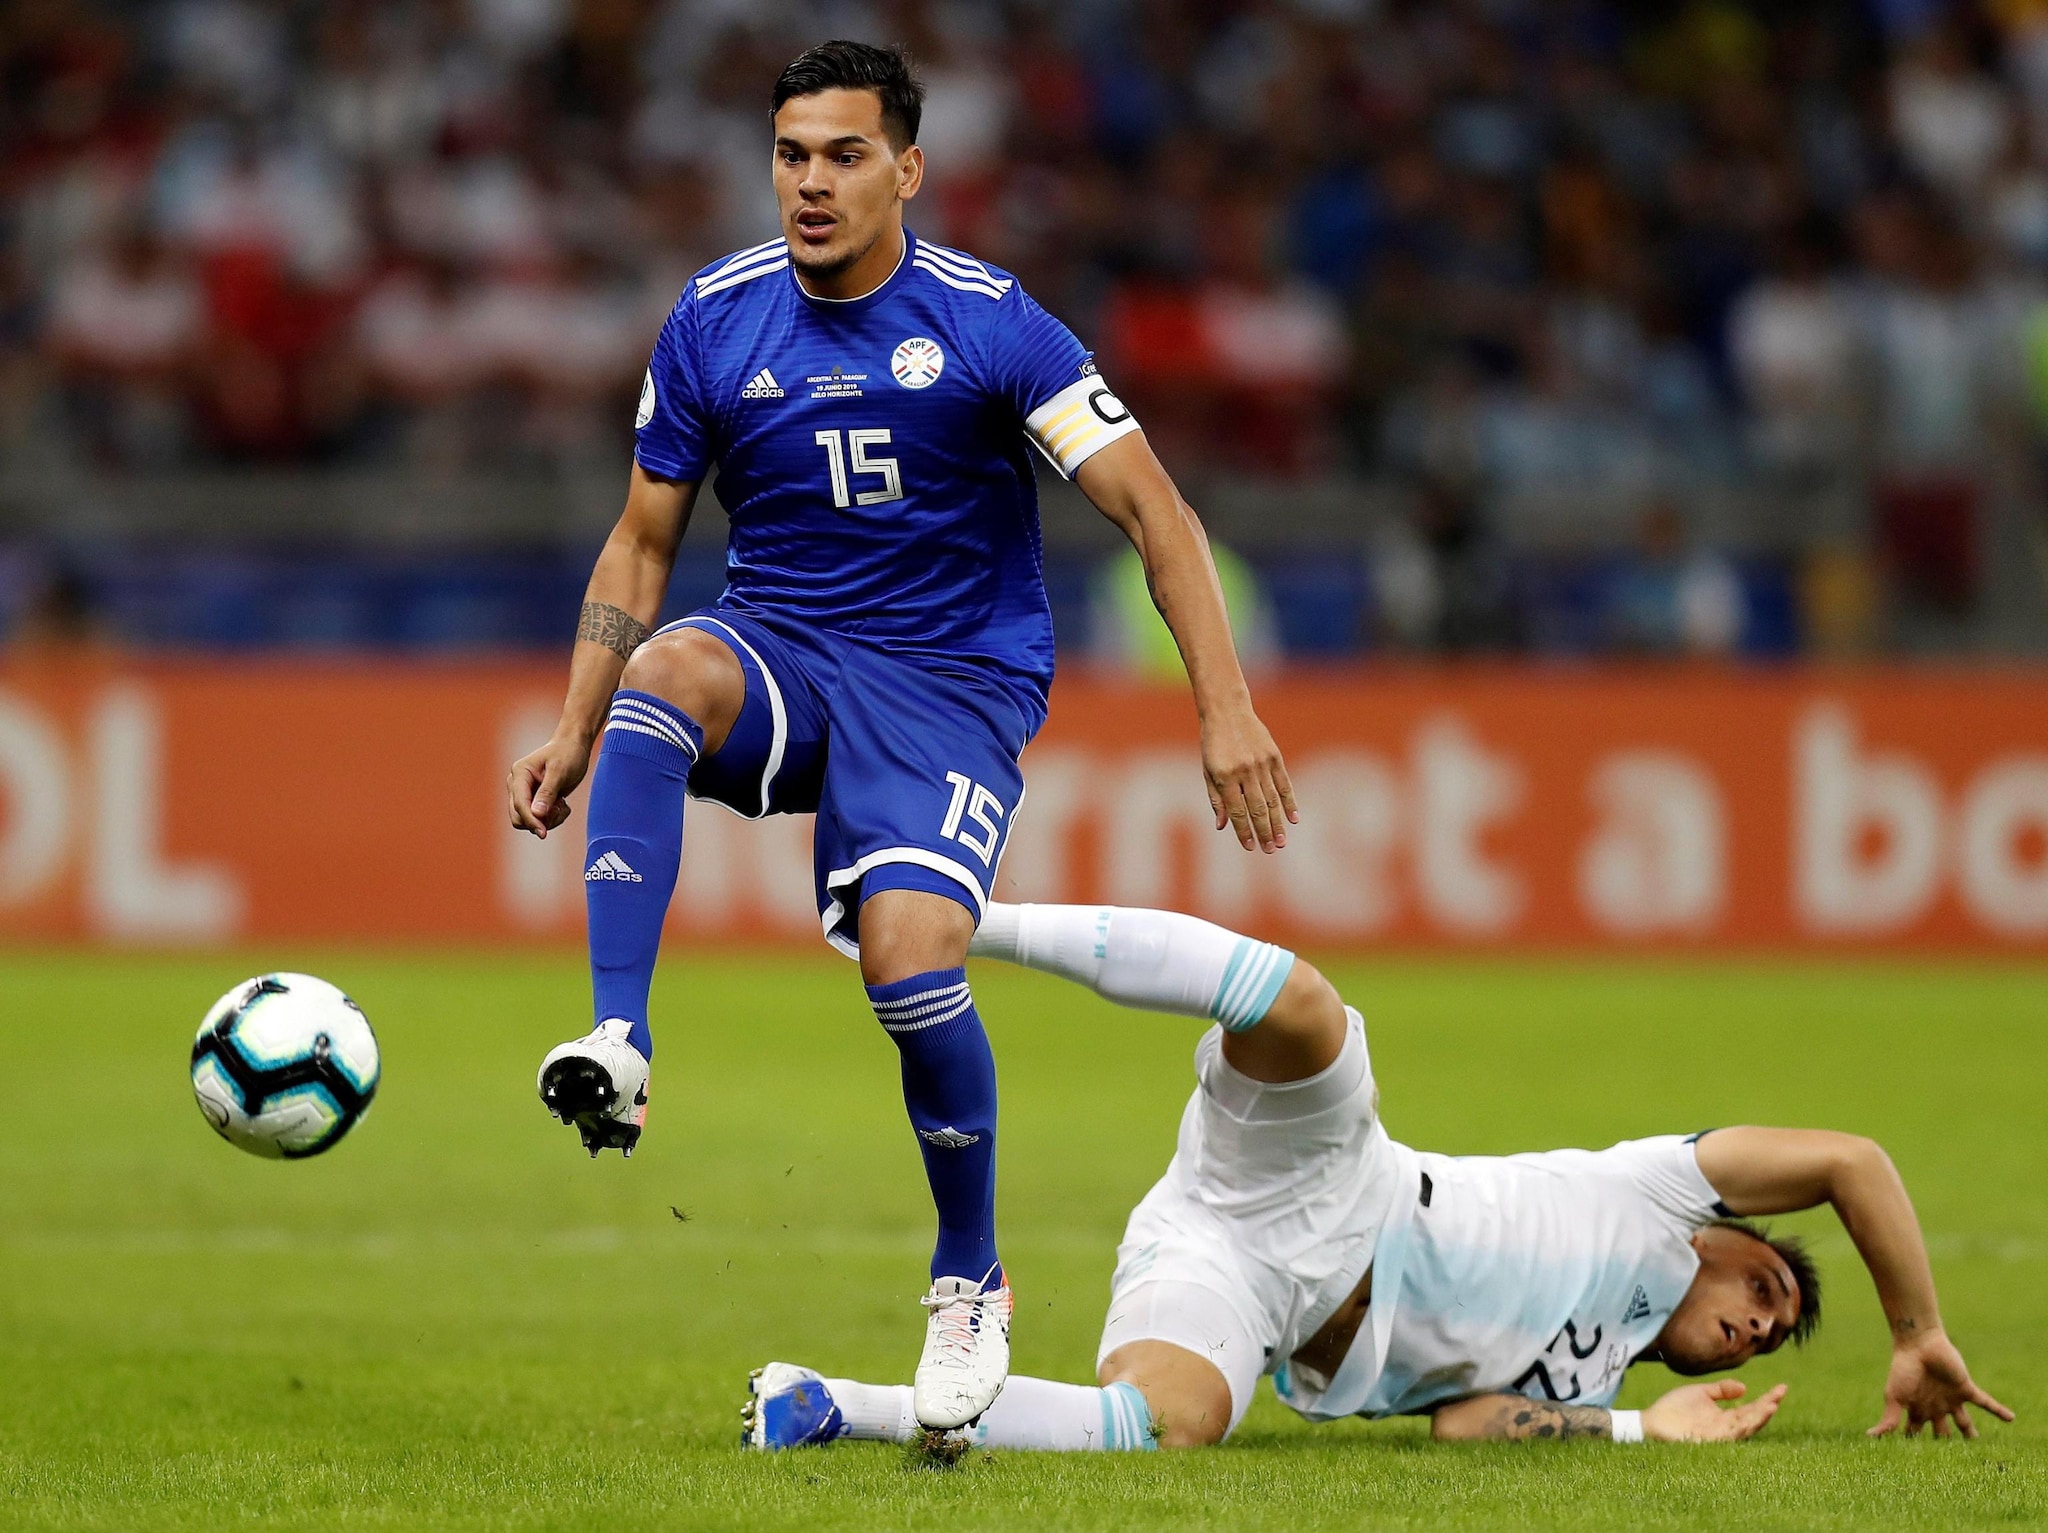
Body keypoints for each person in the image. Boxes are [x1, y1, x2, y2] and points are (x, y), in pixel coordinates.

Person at [504, 43, 1294, 1433]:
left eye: (845, 155)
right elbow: (640, 542)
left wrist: (1224, 707)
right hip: (787, 652)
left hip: (950, 683)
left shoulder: (992, 325)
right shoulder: (714, 318)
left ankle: (968, 1275)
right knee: (666, 670)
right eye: (791, 155)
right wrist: (577, 722)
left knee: (908, 955)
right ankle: (619, 1039)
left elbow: (1155, 513)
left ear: (908, 169)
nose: (811, 183)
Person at [743, 901, 2015, 1451]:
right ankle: (960, 922)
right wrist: (1915, 1332)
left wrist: (1642, 1425)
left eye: (1767, 1340)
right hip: (1341, 1180)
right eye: (1766, 1292)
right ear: (1731, 1237)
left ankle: (824, 1406)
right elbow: (1850, 1161)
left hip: (1241, 1276)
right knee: (1302, 1005)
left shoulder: (1589, 1377)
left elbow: (1464, 1424)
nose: (1754, 1327)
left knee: (1159, 1428)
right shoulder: (1659, 1192)